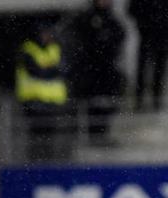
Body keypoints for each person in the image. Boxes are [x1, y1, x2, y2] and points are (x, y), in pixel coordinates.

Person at [68, 0, 125, 143]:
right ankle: (92, 136)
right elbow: (82, 42)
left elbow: (119, 35)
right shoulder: (87, 18)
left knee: (107, 105)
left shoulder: (112, 19)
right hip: (91, 72)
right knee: (91, 106)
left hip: (107, 72)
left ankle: (103, 134)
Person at [15, 23, 68, 161]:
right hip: (33, 101)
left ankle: (50, 160)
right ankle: (36, 161)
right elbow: (37, 72)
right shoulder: (28, 49)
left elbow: (64, 69)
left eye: (48, 34)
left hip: (53, 102)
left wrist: (48, 70)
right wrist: (52, 70)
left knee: (52, 136)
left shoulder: (55, 48)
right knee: (36, 137)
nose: (46, 37)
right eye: (43, 34)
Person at [128, 0, 168, 111]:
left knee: (158, 70)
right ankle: (139, 100)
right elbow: (132, 9)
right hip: (147, 36)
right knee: (142, 70)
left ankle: (156, 100)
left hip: (161, 37)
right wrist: (144, 23)